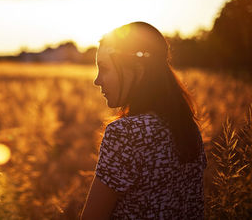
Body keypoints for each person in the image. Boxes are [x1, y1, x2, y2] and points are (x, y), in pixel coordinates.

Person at [81, 22, 207, 219]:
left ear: (137, 70)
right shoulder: (187, 127)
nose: (97, 80)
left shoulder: (125, 133)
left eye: (104, 69)